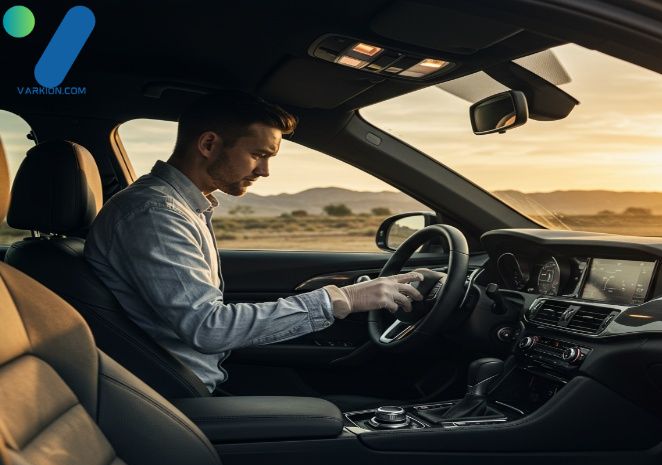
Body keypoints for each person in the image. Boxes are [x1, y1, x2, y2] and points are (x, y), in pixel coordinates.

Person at [85, 91, 424, 394]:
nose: (264, 171)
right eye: (259, 154)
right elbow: (208, 328)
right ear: (208, 145)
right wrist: (343, 299)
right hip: (180, 393)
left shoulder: (179, 207)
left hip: (190, 378)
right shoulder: (155, 215)